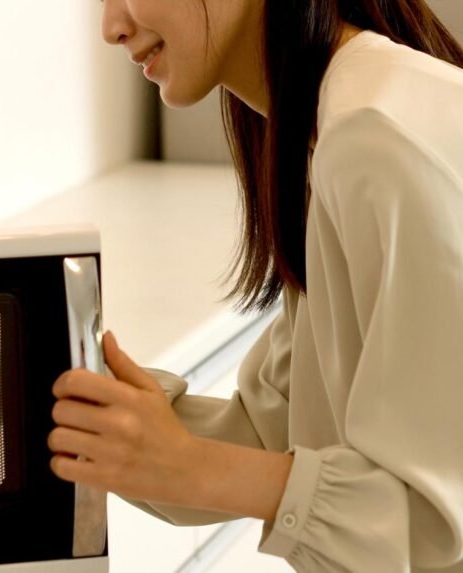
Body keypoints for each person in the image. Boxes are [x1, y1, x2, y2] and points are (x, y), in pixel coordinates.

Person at [47, 1, 463, 571]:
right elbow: (275, 426)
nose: (111, 27)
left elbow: (437, 521)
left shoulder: (371, 136)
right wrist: (55, 392)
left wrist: (187, 464)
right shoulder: (329, 123)